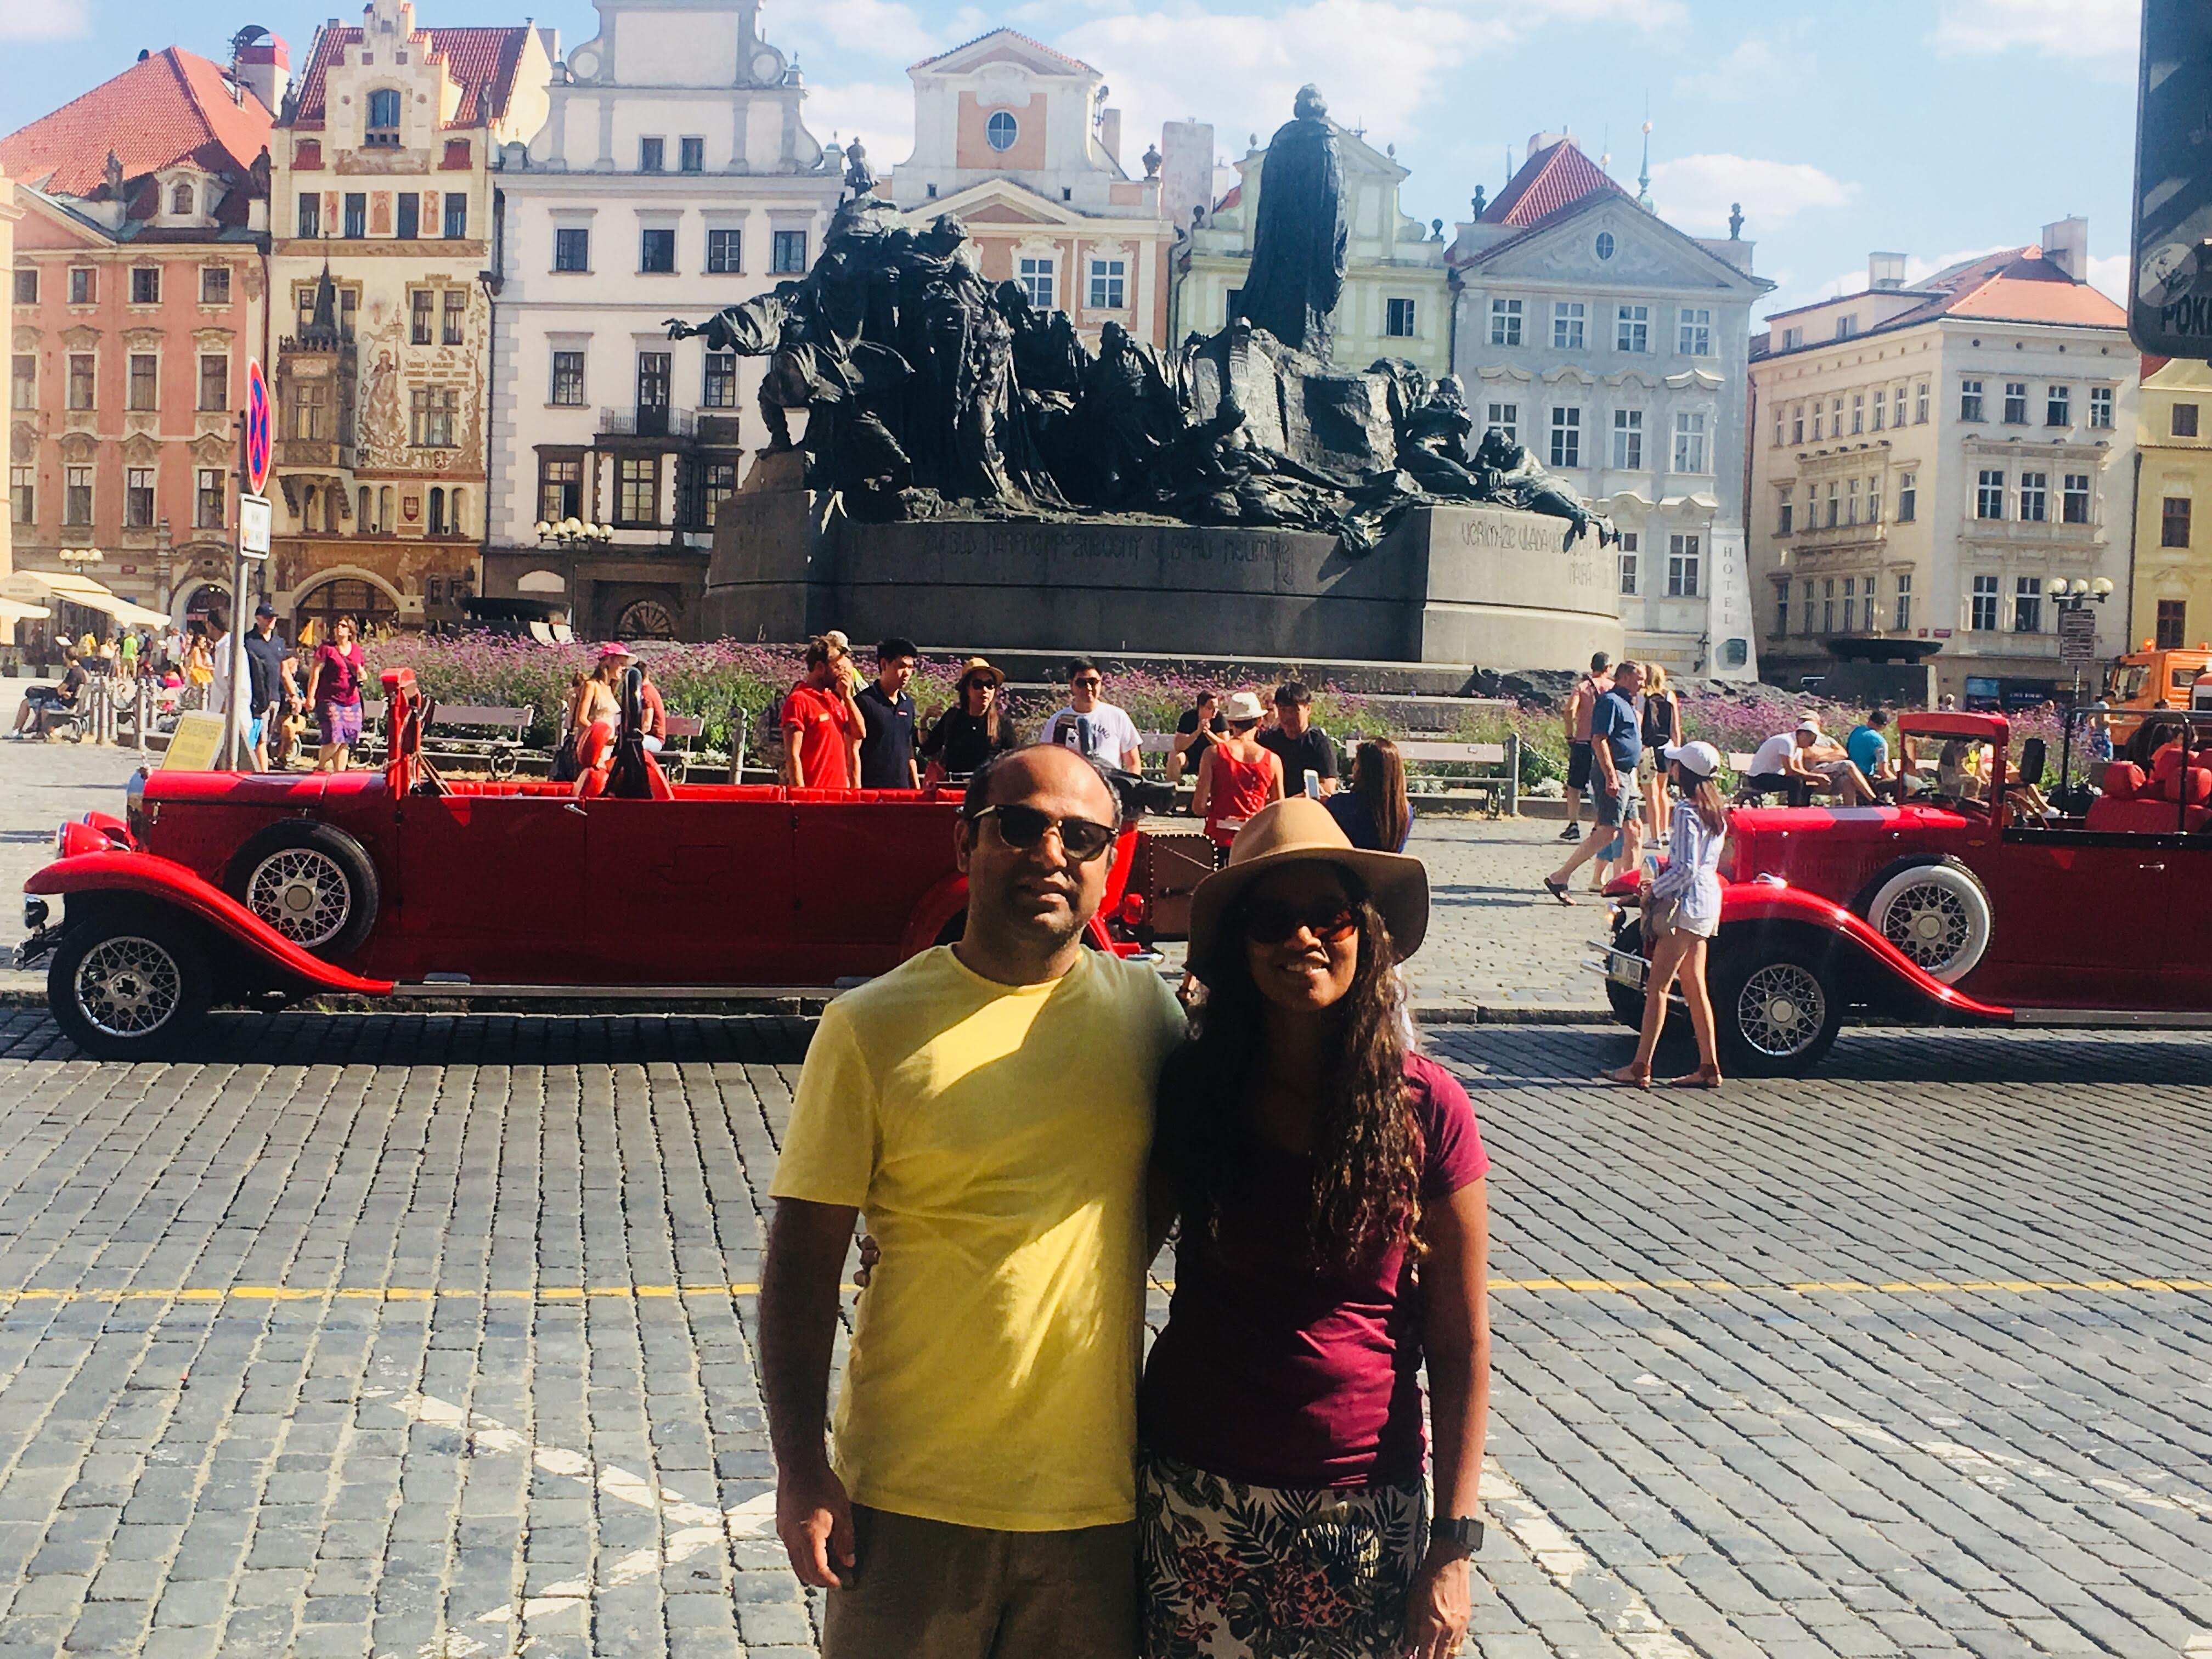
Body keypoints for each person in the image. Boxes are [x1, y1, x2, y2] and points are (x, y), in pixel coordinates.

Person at [760, 744, 1188, 1659]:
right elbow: (802, 1262)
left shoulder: (1150, 1018)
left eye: (1082, 835)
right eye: (1022, 826)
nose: (1051, 851)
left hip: (1093, 1505)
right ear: (965, 843)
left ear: (1111, 861)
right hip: (908, 1497)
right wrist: (801, 1465)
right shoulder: (869, 1026)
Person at [1142, 796, 1489, 1659]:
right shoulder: (1194, 1089)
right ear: (1239, 946)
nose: (1303, 940)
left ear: (1365, 933)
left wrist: (1454, 1542)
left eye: (1328, 915)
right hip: (1197, 1488)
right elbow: (1106, 1261)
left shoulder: (1428, 1107)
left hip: (1362, 1503)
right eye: (1272, 919)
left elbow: (1459, 1341)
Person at [1607, 741, 1729, 1090]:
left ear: (1686, 773)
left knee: (1657, 986)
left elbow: (1685, 868)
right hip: (1707, 903)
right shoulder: (1716, 811)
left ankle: (1641, 1065)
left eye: (1676, 765)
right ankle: (1708, 1065)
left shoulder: (1687, 812)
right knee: (1694, 986)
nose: (1672, 769)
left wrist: (1653, 892)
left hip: (1686, 905)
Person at [1545, 660, 1643, 902]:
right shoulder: (1610, 702)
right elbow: (1599, 740)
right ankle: (1560, 877)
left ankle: (1630, 885)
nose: (1643, 683)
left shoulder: (1628, 703)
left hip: (1626, 774)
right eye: (1639, 678)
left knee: (1634, 830)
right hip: (1613, 773)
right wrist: (1611, 776)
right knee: (1608, 832)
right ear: (1624, 677)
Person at [1190, 691, 1284, 863]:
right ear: (1259, 721)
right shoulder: (1273, 760)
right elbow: (1279, 809)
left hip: (1218, 840)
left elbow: (1198, 807)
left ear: (1231, 722)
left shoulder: (1213, 754)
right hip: (1255, 841)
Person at [782, 635, 865, 788]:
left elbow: (860, 733)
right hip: (814, 795)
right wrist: (801, 796)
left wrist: (847, 698)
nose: (843, 673)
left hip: (838, 794)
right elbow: (793, 755)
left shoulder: (833, 699)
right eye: (837, 667)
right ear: (821, 668)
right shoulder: (799, 700)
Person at [919, 657, 1017, 780]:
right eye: (978, 685)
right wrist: (923, 722)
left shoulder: (1002, 723)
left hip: (985, 792)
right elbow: (928, 749)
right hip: (953, 791)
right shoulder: (953, 717)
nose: (985, 690)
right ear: (967, 689)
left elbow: (1014, 760)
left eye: (989, 684)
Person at [1046, 657, 1143, 772]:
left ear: (1101, 682)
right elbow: (1047, 760)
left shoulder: (1118, 716)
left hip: (1110, 783)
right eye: (1082, 683)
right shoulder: (1058, 721)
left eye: (1093, 682)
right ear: (1071, 685)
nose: (1088, 688)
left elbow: (1133, 763)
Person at [1559, 652, 1612, 842]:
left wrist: (1569, 733)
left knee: (1575, 785)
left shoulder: (1582, 687)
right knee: (1602, 784)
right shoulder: (1613, 688)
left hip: (1583, 741)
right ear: (1608, 668)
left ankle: (1573, 824)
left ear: (1592, 667)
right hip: (1605, 743)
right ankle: (1598, 825)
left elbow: (1570, 710)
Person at [855, 636, 922, 789]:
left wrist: (917, 788)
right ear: (884, 664)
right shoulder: (864, 702)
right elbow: (853, 751)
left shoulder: (908, 704)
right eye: (901, 666)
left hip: (903, 792)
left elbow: (909, 749)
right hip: (872, 793)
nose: (907, 673)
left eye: (911, 667)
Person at [1329, 737, 1414, 852]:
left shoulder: (1342, 805)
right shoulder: (1405, 812)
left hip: (1351, 867)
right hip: (1388, 869)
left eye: (1356, 762)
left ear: (1364, 770)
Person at [1258, 681, 1339, 799]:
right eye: (1282, 710)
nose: (1288, 717)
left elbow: (1328, 786)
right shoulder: (1269, 740)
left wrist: (1293, 801)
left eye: (1293, 711)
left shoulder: (1319, 743)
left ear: (1308, 709)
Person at [243, 603, 292, 771]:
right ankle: (261, 774)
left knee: (265, 737)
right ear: (258, 618)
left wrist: (295, 695)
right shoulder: (248, 641)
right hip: (256, 696)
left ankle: (259, 773)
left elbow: (284, 671)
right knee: (259, 738)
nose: (272, 620)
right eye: (268, 617)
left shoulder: (278, 642)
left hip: (274, 697)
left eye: (274, 617)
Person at [1638, 663, 1682, 836]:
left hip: (1647, 747)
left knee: (1651, 794)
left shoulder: (1643, 696)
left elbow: (1639, 723)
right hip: (1666, 747)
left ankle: (1655, 835)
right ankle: (1665, 830)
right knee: (1663, 790)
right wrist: (1678, 751)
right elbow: (1675, 727)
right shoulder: (1669, 695)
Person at [10, 648, 87, 739]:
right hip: (70, 703)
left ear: (66, 657)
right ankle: (39, 729)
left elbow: (60, 691)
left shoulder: (74, 672)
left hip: (64, 705)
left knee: (26, 703)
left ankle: (17, 730)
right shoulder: (82, 671)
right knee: (41, 700)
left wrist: (61, 691)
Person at [1168, 691, 1227, 787]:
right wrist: (1197, 732)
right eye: (1210, 708)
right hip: (1190, 759)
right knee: (1175, 756)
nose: (1214, 712)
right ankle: (1173, 793)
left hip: (1211, 761)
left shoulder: (1219, 719)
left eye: (1216, 708)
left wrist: (1208, 733)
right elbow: (1179, 746)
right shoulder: (1188, 717)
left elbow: (1226, 747)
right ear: (1201, 707)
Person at [1845, 707, 1898, 803]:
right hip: (1866, 781)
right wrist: (1898, 782)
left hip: (1849, 777)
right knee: (1897, 786)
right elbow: (1884, 772)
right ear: (1883, 726)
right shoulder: (1880, 742)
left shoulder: (1856, 731)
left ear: (1869, 720)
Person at [635, 657, 669, 754]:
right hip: (650, 738)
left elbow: (647, 725)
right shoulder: (649, 689)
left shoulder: (646, 694)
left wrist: (635, 736)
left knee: (631, 744)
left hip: (655, 740)